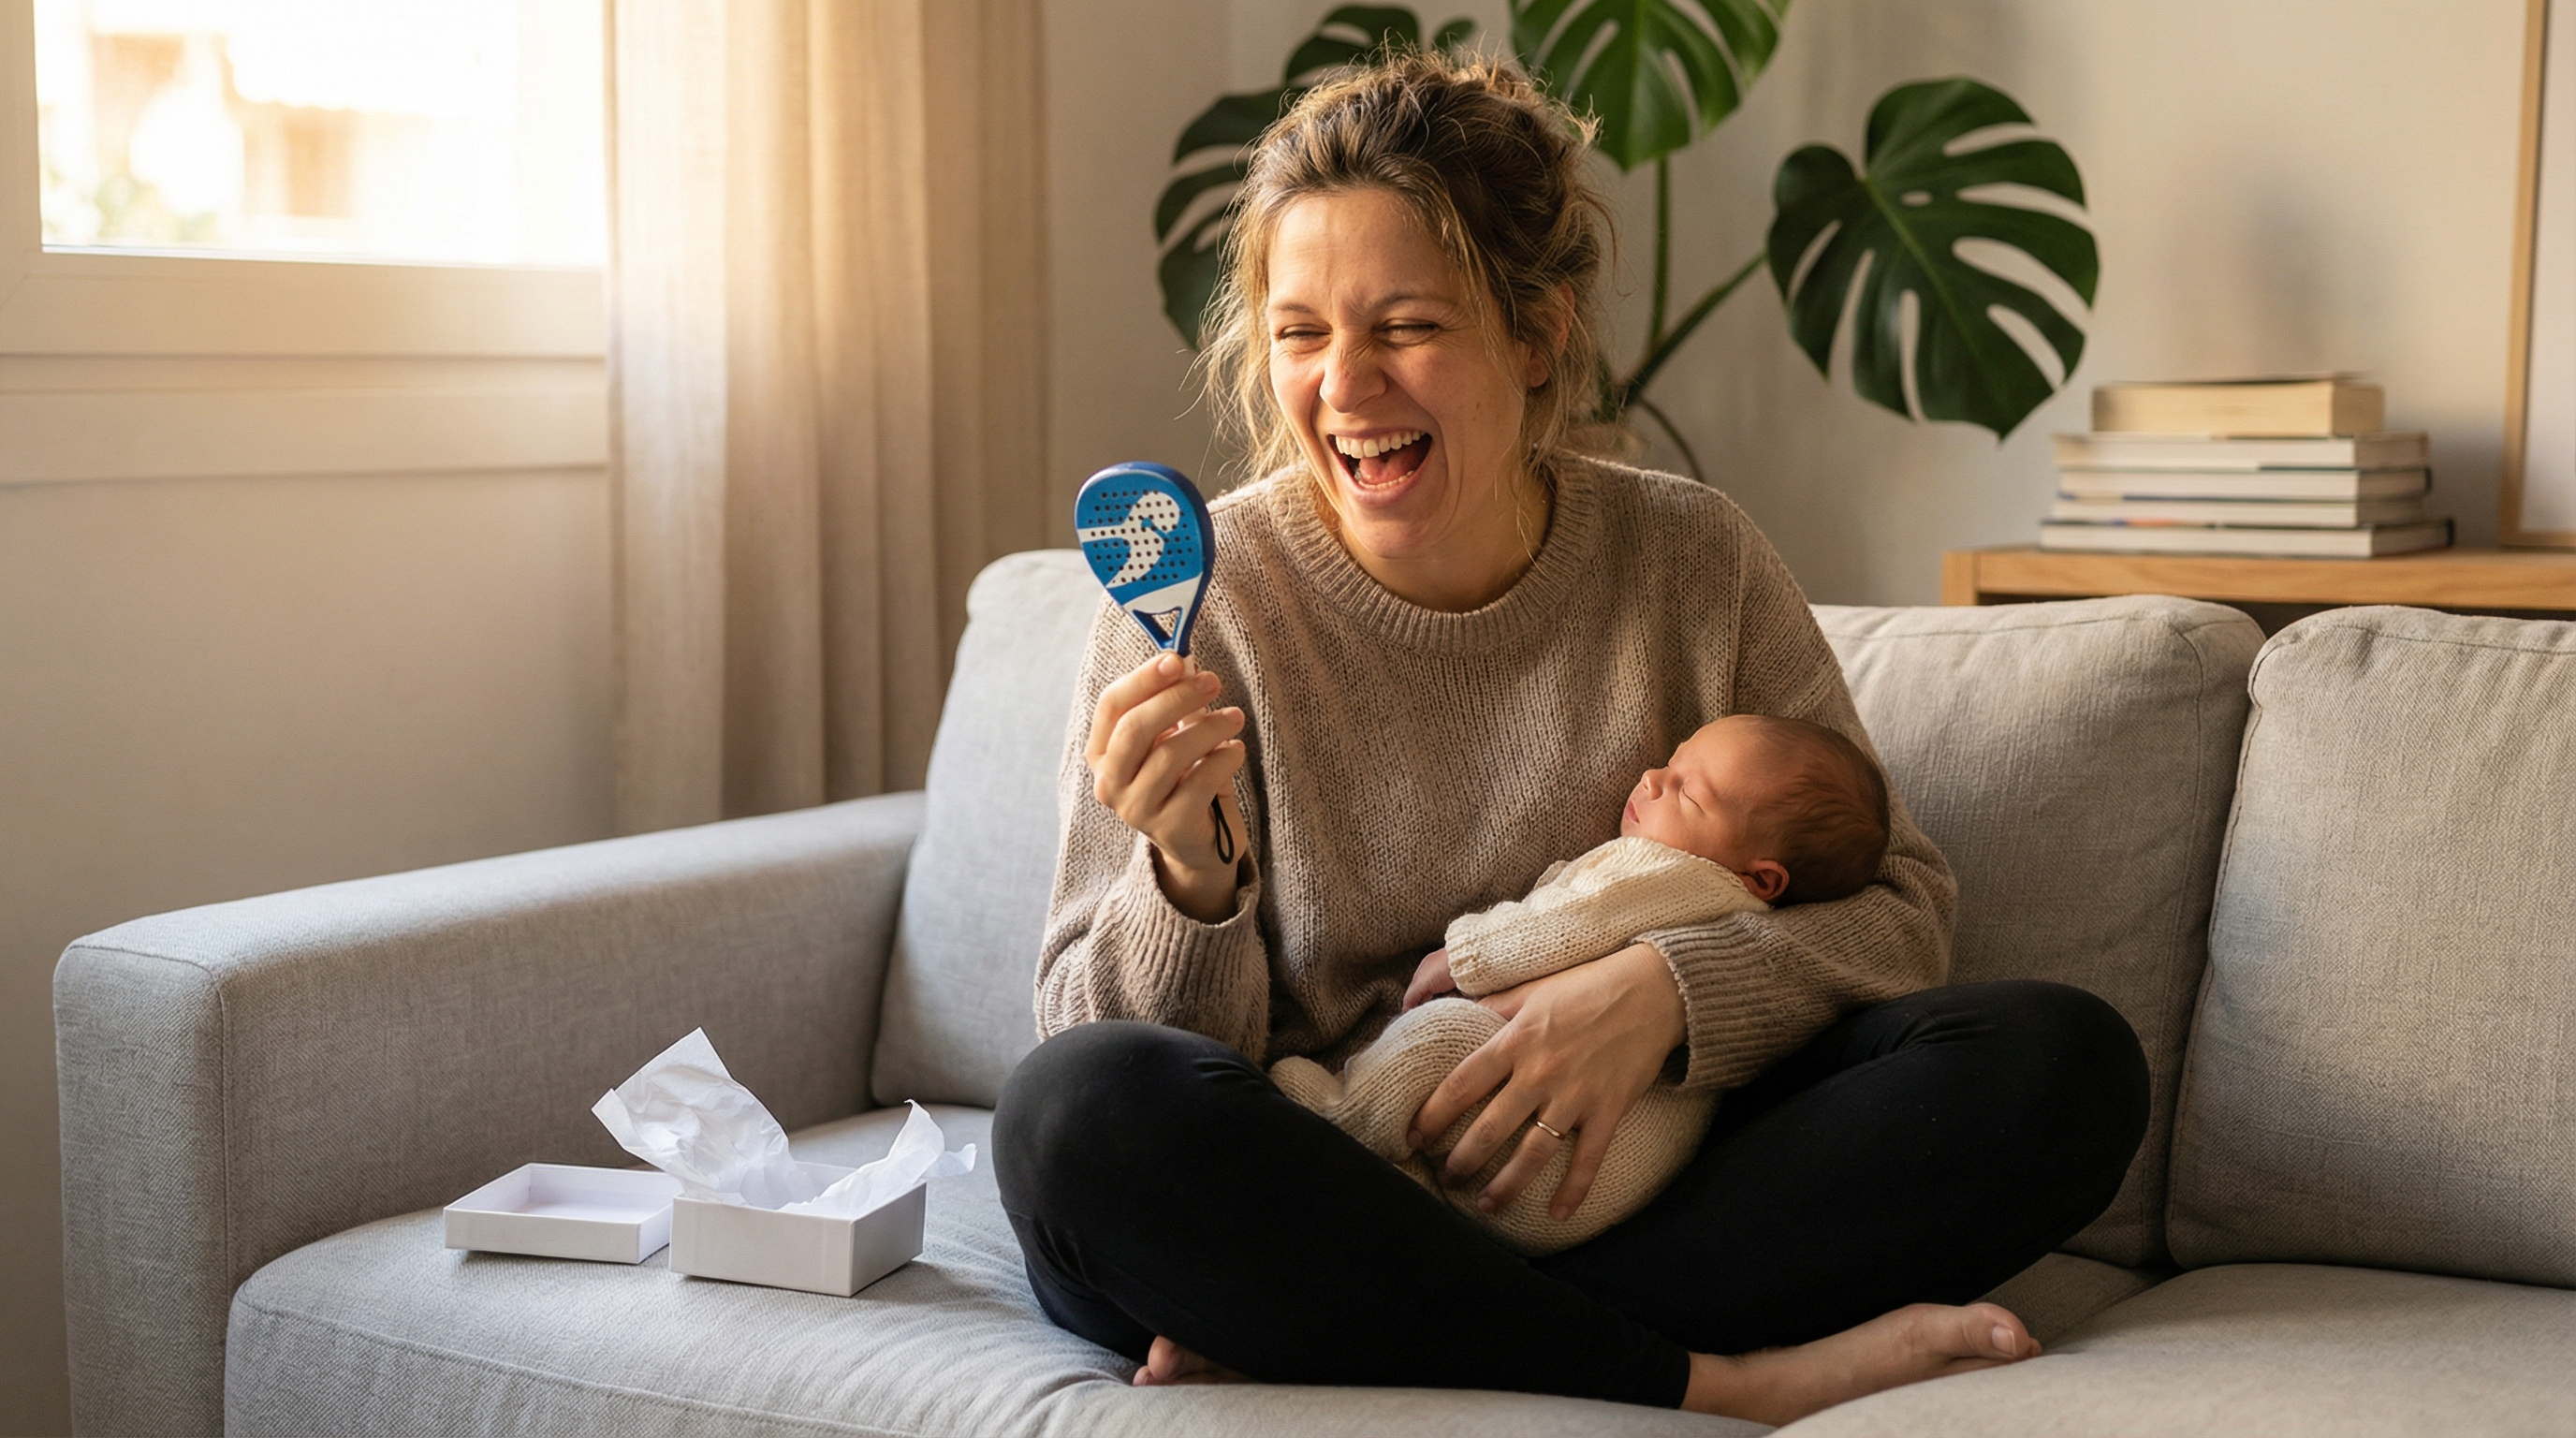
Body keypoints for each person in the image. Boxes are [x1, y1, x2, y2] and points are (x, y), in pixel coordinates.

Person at [993, 51, 2148, 1426]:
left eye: (1406, 325)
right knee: (1078, 1114)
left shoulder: (1690, 557)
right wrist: (1190, 882)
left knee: (2059, 1066)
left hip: (1627, 1179)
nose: (1345, 385)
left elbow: (1901, 912)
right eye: (1300, 333)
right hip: (1323, 1168)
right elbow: (1105, 1040)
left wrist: (1660, 997)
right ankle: (1707, 1379)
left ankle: (1348, 1335)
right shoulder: (1195, 602)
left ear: (1535, 337)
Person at [1272, 713, 1894, 1255]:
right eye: (1670, 763)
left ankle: (1333, 1115)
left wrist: (1466, 955)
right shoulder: (1740, 911)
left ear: (1763, 878)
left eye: (1687, 793)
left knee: (1437, 1036)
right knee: (1413, 1179)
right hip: (1581, 1196)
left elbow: (1568, 923)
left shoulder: (1676, 875)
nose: (1652, 780)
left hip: (1551, 1143)